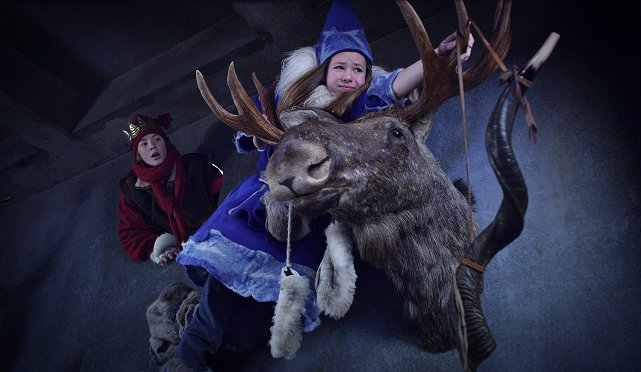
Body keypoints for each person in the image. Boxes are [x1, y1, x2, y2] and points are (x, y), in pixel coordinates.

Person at [168, 1, 473, 369]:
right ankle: (188, 357)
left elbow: (393, 86)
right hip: (256, 214)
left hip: (307, 231)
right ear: (321, 71)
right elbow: (250, 124)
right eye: (339, 66)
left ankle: (225, 351)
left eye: (358, 69)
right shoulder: (288, 103)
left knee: (258, 321)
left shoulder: (358, 117)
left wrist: (435, 59)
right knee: (219, 298)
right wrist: (264, 139)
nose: (348, 75)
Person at [117, 112, 224, 266]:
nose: (152, 146)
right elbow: (130, 232)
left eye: (157, 139)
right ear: (138, 154)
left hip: (219, 239)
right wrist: (154, 250)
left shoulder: (197, 166)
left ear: (165, 143)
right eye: (144, 144)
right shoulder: (132, 191)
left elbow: (228, 196)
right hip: (184, 257)